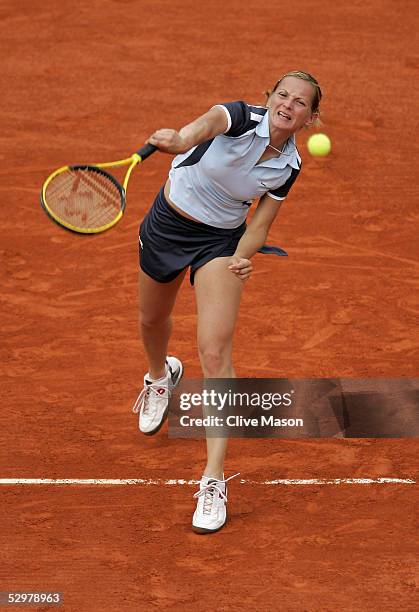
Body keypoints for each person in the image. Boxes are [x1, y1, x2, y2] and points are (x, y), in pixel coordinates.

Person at [132, 70, 322, 534]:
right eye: (283, 95)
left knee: (215, 354)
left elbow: (259, 224)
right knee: (151, 319)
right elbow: (201, 127)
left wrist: (241, 257)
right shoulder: (238, 116)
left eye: (300, 102)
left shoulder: (289, 166)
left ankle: (213, 478)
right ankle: (160, 376)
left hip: (220, 243)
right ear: (269, 98)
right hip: (167, 224)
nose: (288, 105)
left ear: (310, 117)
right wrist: (180, 138)